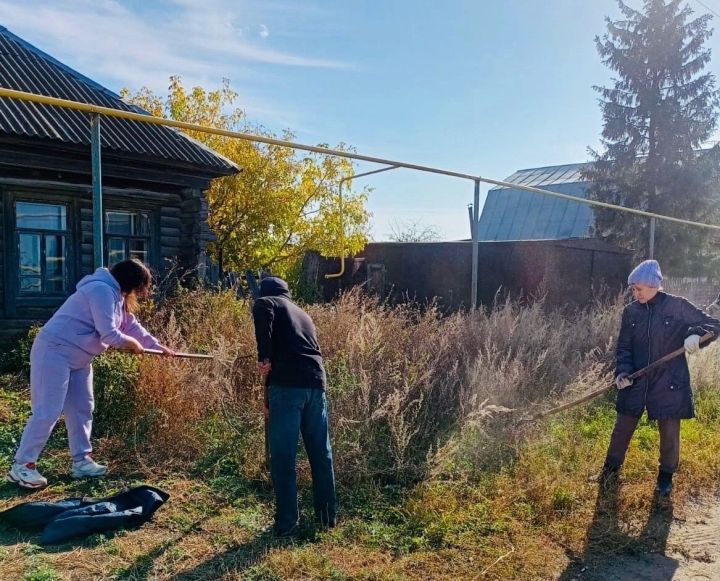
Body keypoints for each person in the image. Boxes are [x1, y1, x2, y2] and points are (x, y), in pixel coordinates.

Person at [6, 259, 174, 489]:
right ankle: (22, 466)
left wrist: (157, 346)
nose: (140, 293)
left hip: (80, 357)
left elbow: (130, 325)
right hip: (54, 351)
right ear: (129, 282)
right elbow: (111, 335)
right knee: (47, 410)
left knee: (82, 408)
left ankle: (81, 462)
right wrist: (134, 345)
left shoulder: (117, 296)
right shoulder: (101, 290)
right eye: (139, 287)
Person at [597, 260, 719, 496]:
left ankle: (665, 478)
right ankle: (610, 470)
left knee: (670, 431)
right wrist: (622, 372)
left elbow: (712, 324)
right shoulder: (631, 311)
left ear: (654, 286)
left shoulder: (677, 306)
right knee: (622, 427)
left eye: (639, 288)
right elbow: (624, 348)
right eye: (633, 289)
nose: (636, 293)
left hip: (669, 380)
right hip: (636, 378)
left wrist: (695, 335)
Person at [252, 276, 336, 537]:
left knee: (283, 456)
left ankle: (287, 524)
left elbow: (263, 312)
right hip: (316, 383)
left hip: (287, 388)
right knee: (321, 453)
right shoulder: (303, 314)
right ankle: (327, 518)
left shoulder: (265, 303)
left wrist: (264, 357)